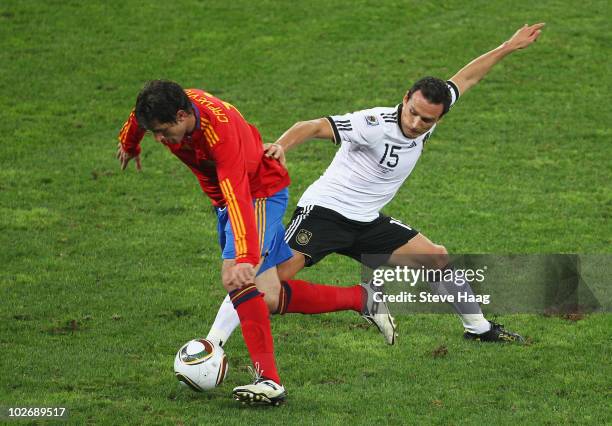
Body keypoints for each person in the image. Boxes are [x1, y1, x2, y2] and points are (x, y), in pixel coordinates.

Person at [205, 23, 545, 347]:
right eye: (412, 111)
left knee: (436, 258)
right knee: (268, 282)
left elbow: (467, 77)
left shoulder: (433, 110)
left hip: (367, 220)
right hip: (325, 213)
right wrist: (281, 145)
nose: (415, 122)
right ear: (406, 97)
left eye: (426, 120)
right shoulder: (372, 123)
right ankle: (212, 343)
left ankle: (479, 329)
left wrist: (508, 47)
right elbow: (310, 125)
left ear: (440, 116)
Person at [116, 81, 394, 406]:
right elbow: (137, 119)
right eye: (154, 134)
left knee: (236, 276)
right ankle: (362, 299)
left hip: (258, 193)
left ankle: (269, 381)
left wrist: (246, 256)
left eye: (163, 132)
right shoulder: (166, 107)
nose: (160, 140)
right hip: (229, 198)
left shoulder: (220, 137)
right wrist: (129, 143)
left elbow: (238, 197)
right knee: (270, 297)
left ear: (182, 114)